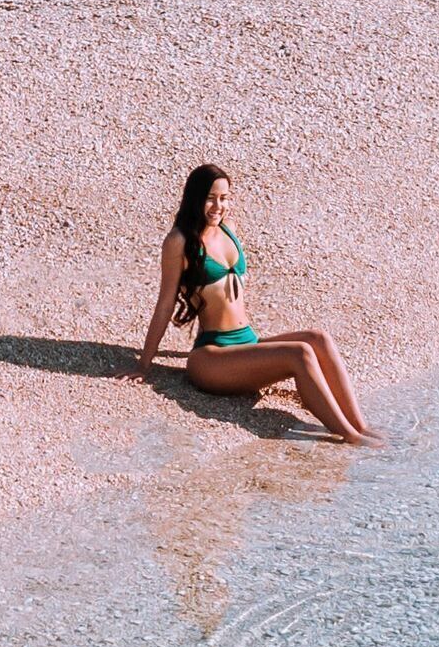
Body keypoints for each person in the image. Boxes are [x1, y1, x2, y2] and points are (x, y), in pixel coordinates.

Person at [133, 164, 374, 444]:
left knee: (318, 338)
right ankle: (350, 437)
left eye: (224, 198)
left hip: (247, 343)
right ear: (194, 197)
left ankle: (360, 426)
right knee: (300, 353)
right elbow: (165, 303)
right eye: (210, 197)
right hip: (212, 357)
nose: (218, 206)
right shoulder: (179, 241)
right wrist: (144, 365)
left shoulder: (228, 230)